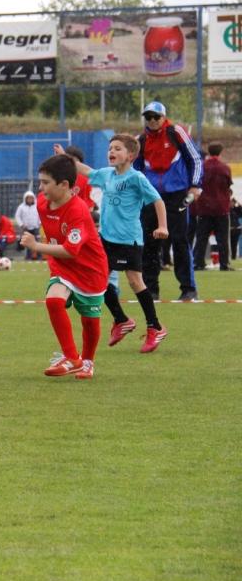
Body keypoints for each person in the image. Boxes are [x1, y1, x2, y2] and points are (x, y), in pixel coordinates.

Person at [57, 136, 169, 353]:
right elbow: (86, 170)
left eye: (117, 148)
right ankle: (121, 320)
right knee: (97, 279)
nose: (112, 151)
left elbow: (157, 200)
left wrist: (162, 226)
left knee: (135, 281)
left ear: (131, 155)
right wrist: (64, 158)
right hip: (106, 238)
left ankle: (155, 327)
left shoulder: (136, 178)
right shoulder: (107, 174)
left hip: (129, 239)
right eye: (110, 148)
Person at [19, 155, 108, 380]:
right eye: (40, 182)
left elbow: (71, 250)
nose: (41, 188)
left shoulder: (78, 211)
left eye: (46, 182)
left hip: (91, 271)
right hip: (63, 268)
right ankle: (72, 357)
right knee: (53, 300)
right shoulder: (41, 202)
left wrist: (36, 245)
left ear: (65, 185)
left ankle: (88, 361)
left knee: (90, 321)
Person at [135, 101, 204, 301]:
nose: (153, 121)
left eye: (156, 117)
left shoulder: (176, 132)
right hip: (151, 197)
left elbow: (196, 159)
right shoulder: (142, 140)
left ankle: (188, 289)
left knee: (180, 241)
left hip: (177, 196)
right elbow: (137, 169)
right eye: (148, 117)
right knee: (149, 243)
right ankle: (151, 290)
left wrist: (195, 185)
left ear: (164, 117)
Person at [192, 142, 234, 272]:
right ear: (220, 152)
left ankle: (198, 263)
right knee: (223, 238)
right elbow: (227, 186)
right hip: (221, 207)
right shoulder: (225, 168)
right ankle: (224, 264)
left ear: (209, 152)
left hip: (204, 207)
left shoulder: (202, 167)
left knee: (201, 238)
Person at [14, 191, 41, 260]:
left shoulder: (37, 206)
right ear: (25, 199)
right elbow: (17, 216)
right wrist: (22, 225)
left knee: (38, 242)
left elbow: (41, 215)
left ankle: (39, 257)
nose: (30, 200)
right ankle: (28, 257)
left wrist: (39, 223)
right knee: (28, 243)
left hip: (36, 227)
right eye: (28, 198)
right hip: (26, 228)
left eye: (31, 198)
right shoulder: (21, 207)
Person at [230, 197, 242, 262]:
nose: (232, 203)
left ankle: (234, 257)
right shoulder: (227, 209)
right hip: (230, 229)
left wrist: (238, 202)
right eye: (231, 202)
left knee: (234, 244)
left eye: (233, 202)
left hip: (236, 229)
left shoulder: (236, 209)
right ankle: (229, 257)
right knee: (230, 244)